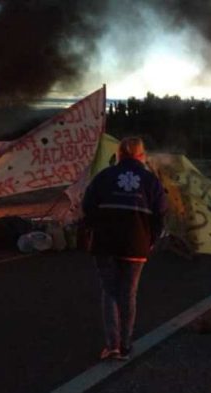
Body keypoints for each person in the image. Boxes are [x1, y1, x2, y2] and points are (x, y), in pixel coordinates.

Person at [83, 136, 167, 360]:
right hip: (136, 245)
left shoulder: (104, 177)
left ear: (119, 154)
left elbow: (87, 207)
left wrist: (93, 229)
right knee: (128, 293)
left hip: (105, 242)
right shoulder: (150, 181)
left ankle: (112, 346)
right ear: (141, 155)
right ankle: (127, 344)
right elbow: (160, 215)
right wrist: (151, 240)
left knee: (110, 292)